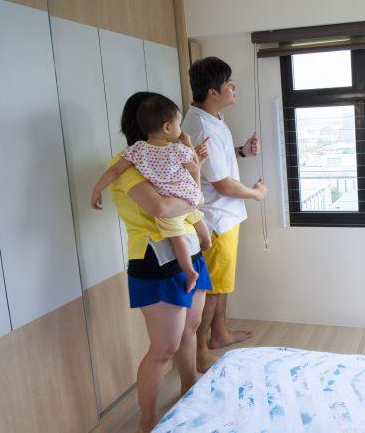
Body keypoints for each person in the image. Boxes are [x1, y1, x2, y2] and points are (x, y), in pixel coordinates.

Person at [103, 91, 212, 432]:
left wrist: (194, 168)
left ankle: (188, 386)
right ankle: (147, 419)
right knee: (163, 349)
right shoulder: (127, 166)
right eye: (175, 122)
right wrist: (192, 185)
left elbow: (190, 200)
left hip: (188, 251)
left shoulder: (166, 158)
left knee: (191, 329)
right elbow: (163, 209)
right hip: (155, 260)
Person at [181, 56, 267, 372]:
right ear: (213, 92)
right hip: (215, 218)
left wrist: (242, 151)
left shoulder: (212, 117)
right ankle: (201, 350)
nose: (233, 87)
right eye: (228, 82)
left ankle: (220, 334)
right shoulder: (200, 125)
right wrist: (256, 193)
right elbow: (223, 184)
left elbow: (215, 163)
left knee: (221, 284)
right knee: (213, 289)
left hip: (226, 217)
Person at [91, 94, 211, 293]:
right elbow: (163, 206)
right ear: (166, 126)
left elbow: (114, 171)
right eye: (178, 123)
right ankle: (204, 244)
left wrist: (96, 189)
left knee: (179, 236)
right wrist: (189, 147)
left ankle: (192, 268)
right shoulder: (176, 150)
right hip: (159, 252)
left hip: (186, 233)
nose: (180, 129)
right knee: (196, 219)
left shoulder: (137, 152)